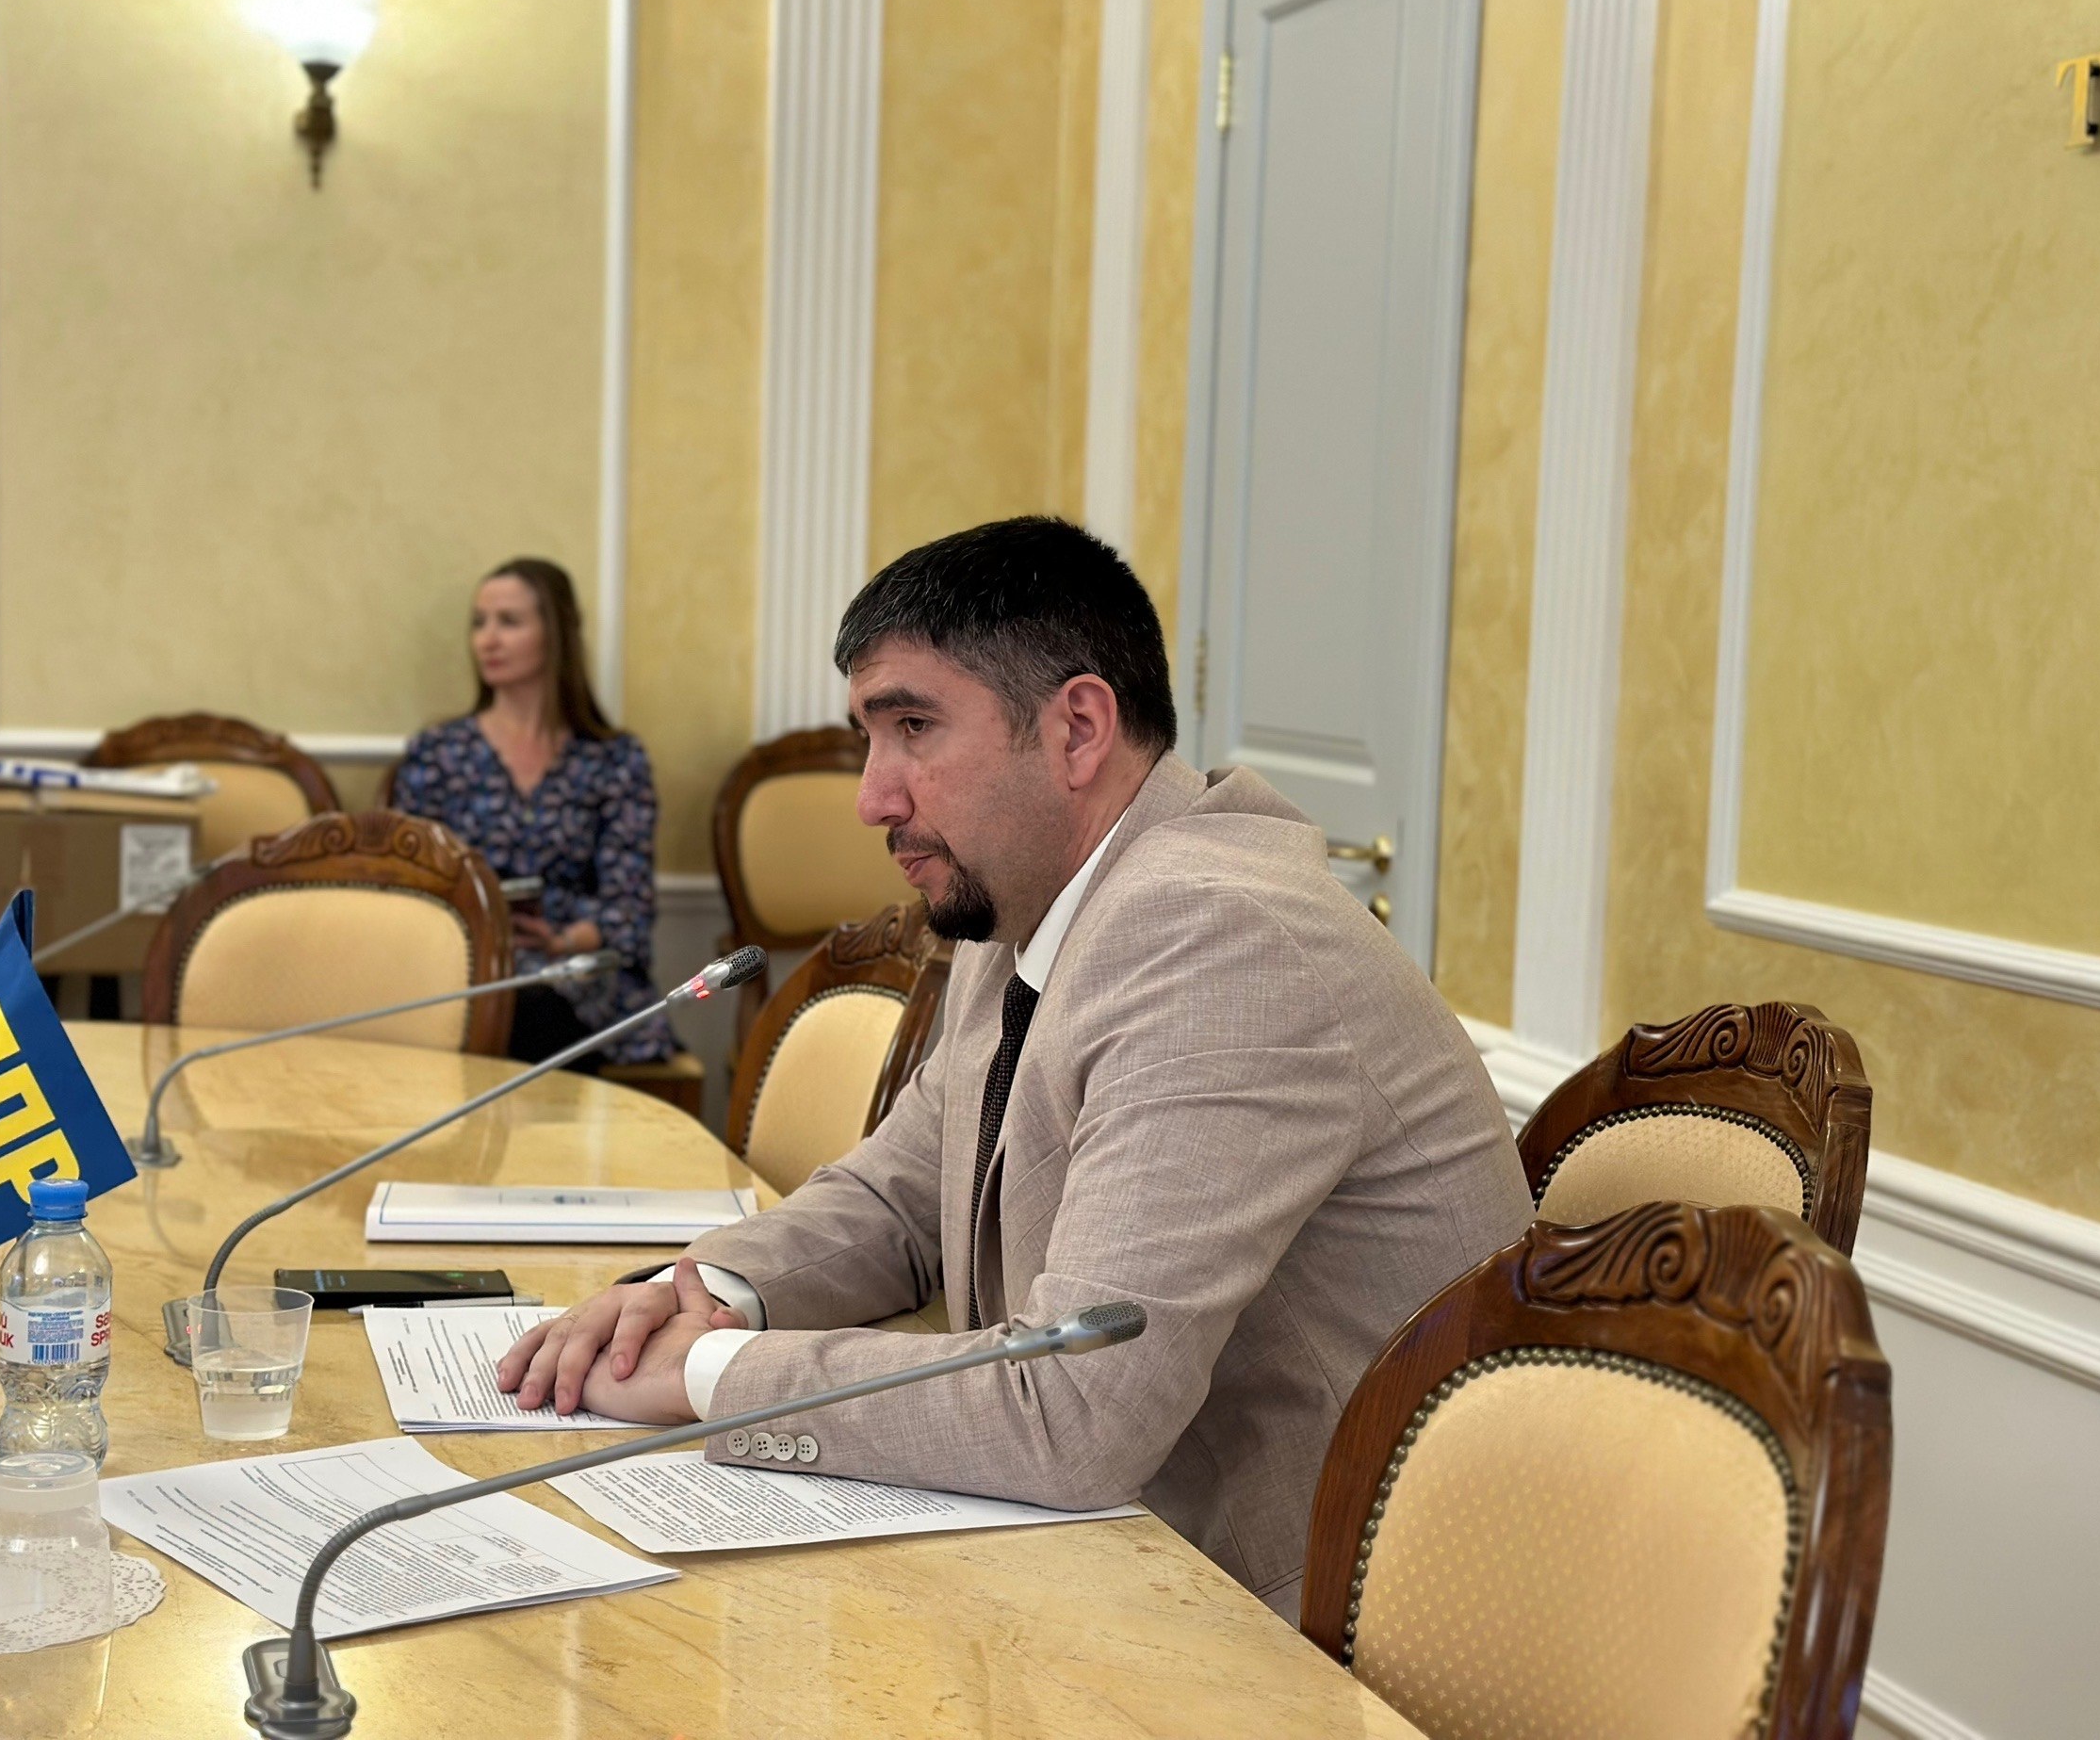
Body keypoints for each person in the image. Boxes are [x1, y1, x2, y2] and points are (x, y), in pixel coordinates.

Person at [497, 515, 1533, 1624]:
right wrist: (692, 1295)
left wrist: (710, 1377)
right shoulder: (1028, 906)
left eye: (913, 728)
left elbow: (1070, 1411)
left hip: (1304, 1623)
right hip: (1109, 1561)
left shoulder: (1217, 937)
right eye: (868, 736)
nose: (871, 797)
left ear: (1077, 729)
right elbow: (898, 1196)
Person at [391, 559, 675, 1067]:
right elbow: (406, 888)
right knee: (503, 1007)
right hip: (465, 964)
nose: (487, 640)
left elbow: (630, 908)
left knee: (542, 1005)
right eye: (479, 622)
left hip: (577, 969)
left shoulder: (615, 759)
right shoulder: (438, 753)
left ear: (555, 633)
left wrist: (563, 941)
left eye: (509, 622)